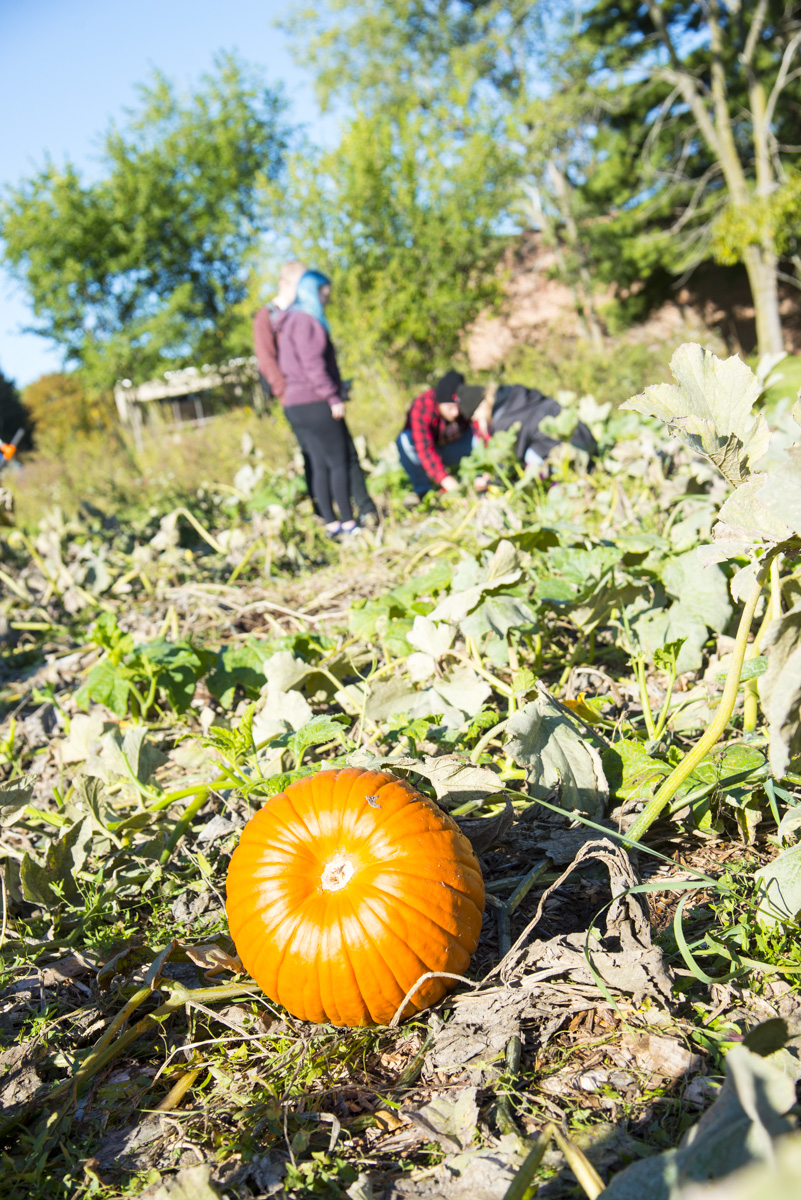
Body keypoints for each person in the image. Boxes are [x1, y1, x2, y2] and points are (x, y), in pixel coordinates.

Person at [252, 262, 378, 524]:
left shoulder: (296, 316)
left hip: (310, 395)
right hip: (305, 399)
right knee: (321, 459)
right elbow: (270, 361)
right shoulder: (275, 316)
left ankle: (361, 509)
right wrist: (287, 394)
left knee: (340, 456)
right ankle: (336, 518)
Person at [273, 271, 358, 537]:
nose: (327, 300)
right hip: (315, 401)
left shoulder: (286, 322)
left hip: (295, 404)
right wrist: (333, 396)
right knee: (338, 462)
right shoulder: (306, 321)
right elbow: (313, 365)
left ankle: (331, 525)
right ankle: (349, 523)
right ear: (313, 291)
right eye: (325, 294)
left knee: (319, 464)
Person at [397, 370, 491, 496]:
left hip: (459, 445)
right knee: (404, 440)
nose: (455, 413)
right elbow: (425, 449)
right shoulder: (422, 406)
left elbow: (483, 433)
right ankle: (424, 490)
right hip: (433, 451)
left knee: (478, 438)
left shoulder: (466, 399)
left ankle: (478, 479)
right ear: (439, 403)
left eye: (457, 407)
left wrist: (488, 472)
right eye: (450, 408)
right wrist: (449, 483)